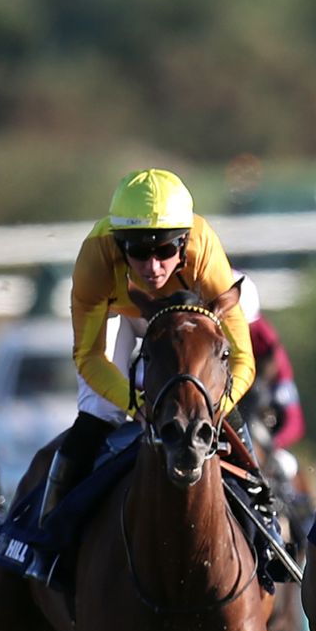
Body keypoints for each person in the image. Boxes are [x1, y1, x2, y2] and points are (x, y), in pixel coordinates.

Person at [42, 168, 258, 523]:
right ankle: (47, 537)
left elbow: (242, 357)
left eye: (164, 249)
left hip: (187, 323)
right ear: (118, 244)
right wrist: (137, 404)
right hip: (122, 316)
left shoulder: (204, 249)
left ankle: (264, 523)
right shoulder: (96, 258)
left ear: (185, 243)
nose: (153, 267)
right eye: (138, 251)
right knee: (99, 412)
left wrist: (216, 407)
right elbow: (89, 356)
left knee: (222, 413)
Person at [236, 273, 306, 452]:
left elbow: (294, 420)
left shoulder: (267, 343)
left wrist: (274, 445)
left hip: (253, 423)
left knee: (285, 467)